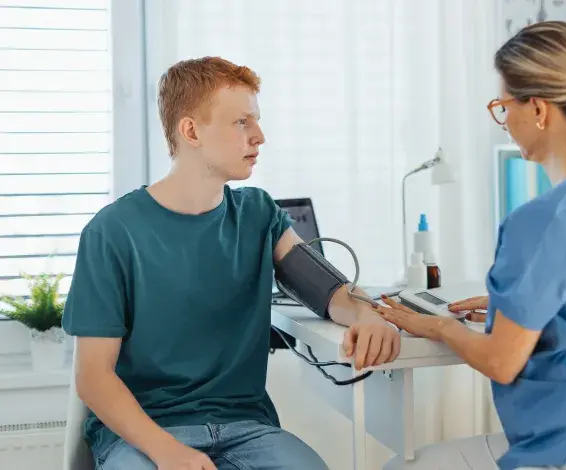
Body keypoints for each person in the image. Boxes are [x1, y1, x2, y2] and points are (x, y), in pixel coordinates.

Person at [62, 56, 401, 470]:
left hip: (245, 427)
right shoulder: (113, 232)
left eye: (256, 121)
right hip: (145, 434)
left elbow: (327, 290)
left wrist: (365, 315)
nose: (259, 136)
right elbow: (93, 377)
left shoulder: (258, 215)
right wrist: (166, 451)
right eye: (242, 122)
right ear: (191, 131)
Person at [375, 21, 566, 470]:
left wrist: (439, 326)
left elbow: (502, 362)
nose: (504, 121)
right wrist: (506, 307)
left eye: (503, 106)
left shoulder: (540, 220)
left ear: (538, 109)